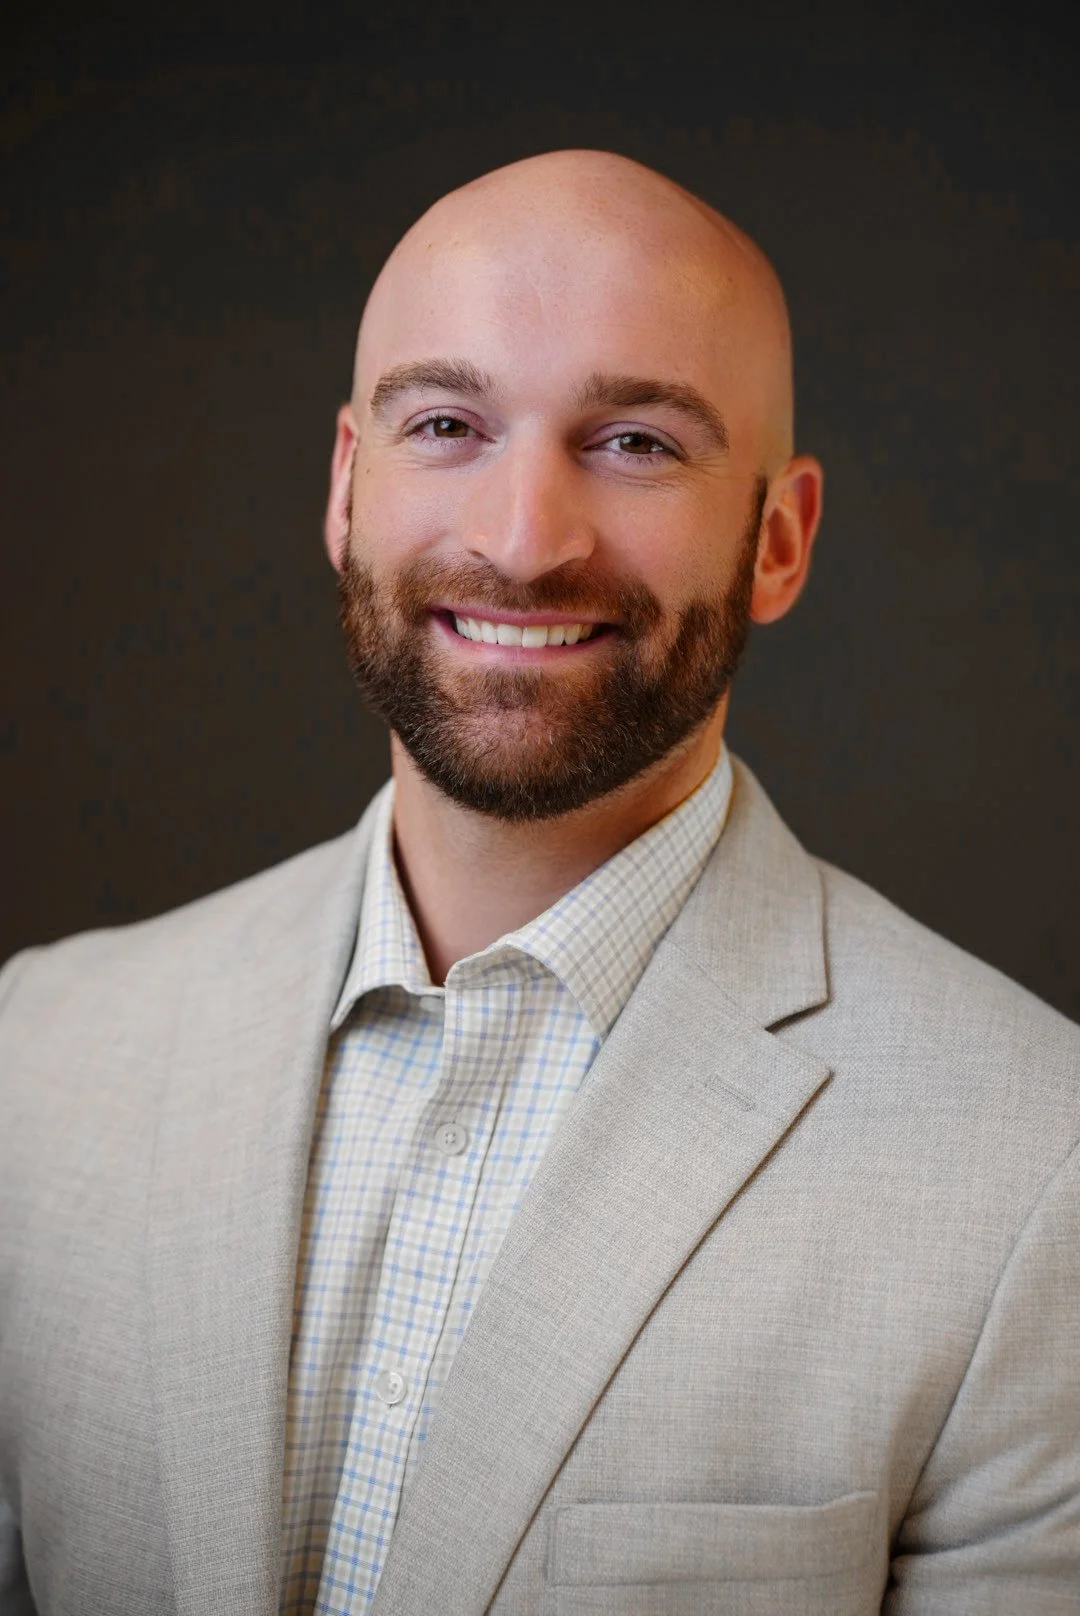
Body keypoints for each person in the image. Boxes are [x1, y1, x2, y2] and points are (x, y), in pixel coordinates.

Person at [0, 149, 1077, 1616]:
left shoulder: (1036, 1167)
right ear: (344, 487)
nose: (521, 539)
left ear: (779, 538)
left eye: (635, 442)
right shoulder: (42, 1058)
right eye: (445, 423)